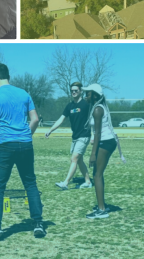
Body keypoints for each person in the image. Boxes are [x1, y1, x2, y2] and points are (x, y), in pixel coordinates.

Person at [0, 63, 46, 240]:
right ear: (9, 76)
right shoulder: (24, 93)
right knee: (30, 184)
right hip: (25, 145)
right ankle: (38, 223)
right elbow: (35, 119)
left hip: (6, 145)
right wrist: (25, 136)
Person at [82, 83, 124, 219]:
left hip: (105, 142)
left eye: (88, 93)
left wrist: (93, 154)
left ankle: (101, 210)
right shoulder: (97, 107)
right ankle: (102, 206)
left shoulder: (97, 110)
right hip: (106, 141)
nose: (85, 96)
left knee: (97, 175)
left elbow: (98, 133)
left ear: (94, 95)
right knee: (98, 174)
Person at [45, 82, 93, 190]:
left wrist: (94, 134)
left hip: (84, 136)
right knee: (79, 160)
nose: (74, 92)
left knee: (74, 158)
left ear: (80, 91)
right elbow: (61, 119)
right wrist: (50, 130)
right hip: (75, 137)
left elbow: (94, 118)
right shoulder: (70, 106)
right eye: (72, 91)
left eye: (76, 90)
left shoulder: (86, 104)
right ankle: (88, 181)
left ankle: (65, 183)